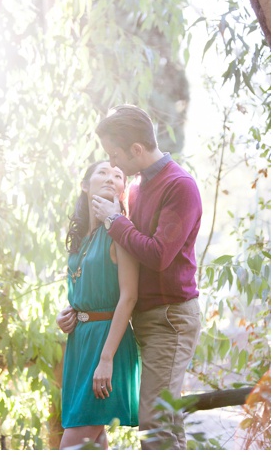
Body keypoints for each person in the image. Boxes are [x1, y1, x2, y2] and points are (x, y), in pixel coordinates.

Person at [91, 104, 202, 450]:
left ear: (136, 150)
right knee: (162, 420)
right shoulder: (138, 187)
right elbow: (127, 263)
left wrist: (114, 220)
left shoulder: (179, 186)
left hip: (171, 318)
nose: (113, 164)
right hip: (147, 318)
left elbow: (157, 255)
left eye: (115, 154)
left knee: (155, 422)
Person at [56, 161, 141, 449]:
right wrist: (68, 315)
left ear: (122, 190)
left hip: (108, 345)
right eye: (102, 172)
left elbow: (128, 296)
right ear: (84, 185)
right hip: (80, 343)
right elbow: (81, 290)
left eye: (118, 175)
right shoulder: (82, 239)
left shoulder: (120, 233)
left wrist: (106, 359)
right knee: (95, 441)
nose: (111, 178)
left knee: (73, 446)